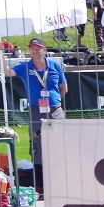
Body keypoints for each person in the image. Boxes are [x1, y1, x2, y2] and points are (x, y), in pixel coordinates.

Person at [11, 36, 67, 195]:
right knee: (38, 147)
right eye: (32, 48)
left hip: (55, 111)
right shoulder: (25, 67)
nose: (35, 51)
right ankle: (41, 186)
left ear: (45, 49)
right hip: (36, 111)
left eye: (38, 48)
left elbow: (64, 87)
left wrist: (56, 102)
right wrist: (1, 54)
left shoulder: (55, 65)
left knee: (59, 145)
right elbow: (7, 72)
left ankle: (61, 183)